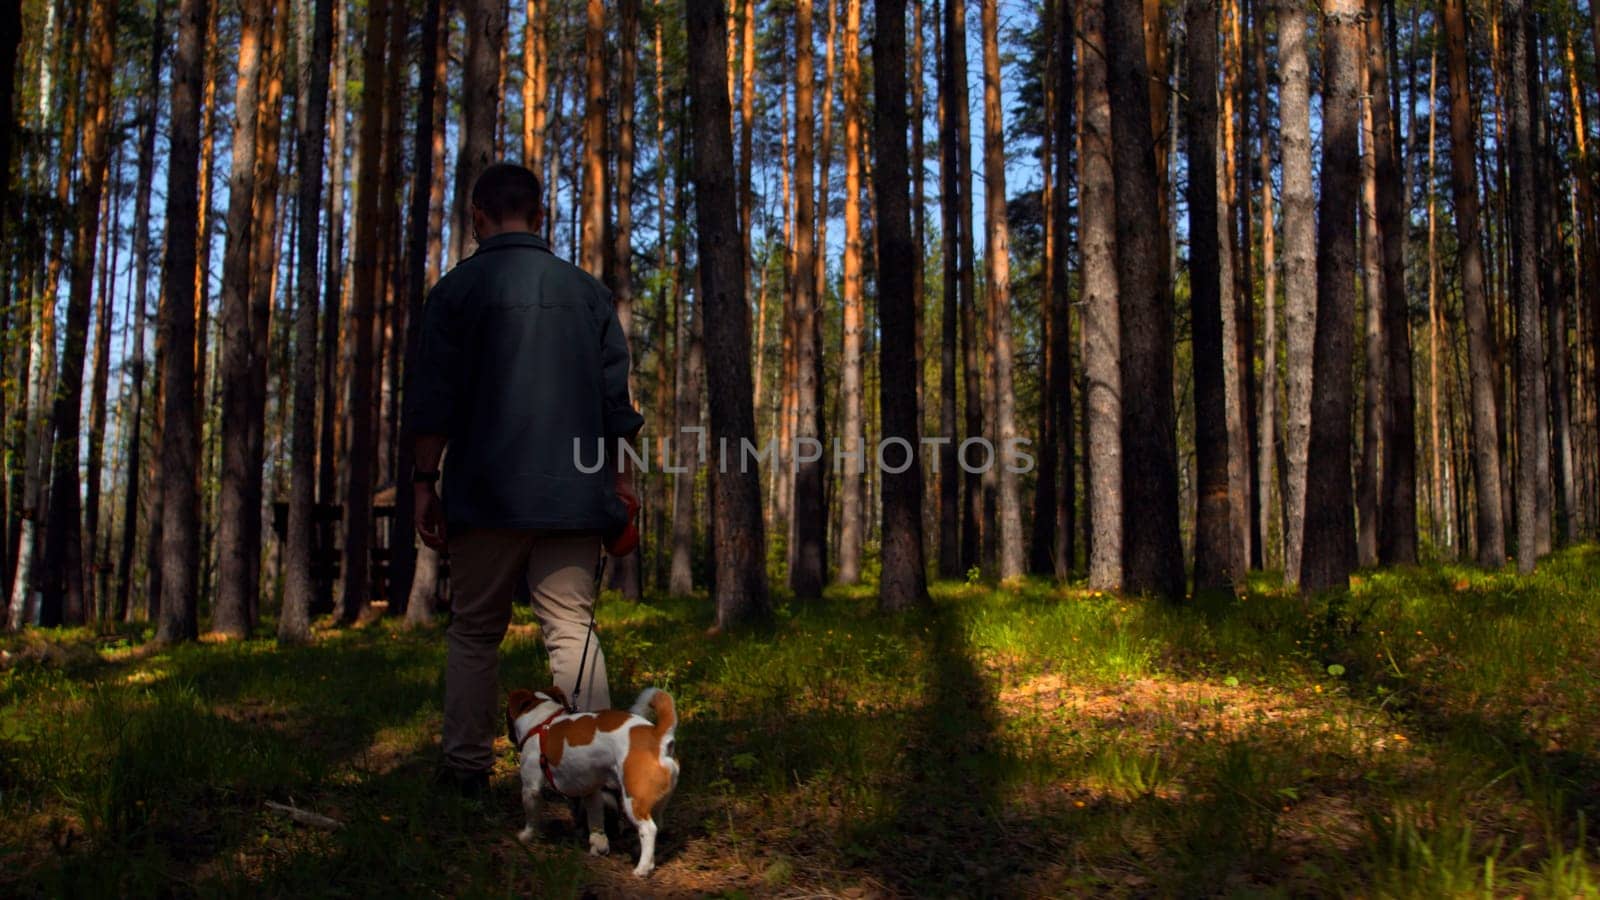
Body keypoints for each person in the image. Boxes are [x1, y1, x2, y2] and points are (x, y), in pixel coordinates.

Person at [404, 162, 643, 797]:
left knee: (475, 629)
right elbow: (616, 406)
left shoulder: (454, 293)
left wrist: (425, 481)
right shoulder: (589, 294)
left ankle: (465, 769)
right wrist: (619, 485)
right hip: (573, 494)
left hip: (484, 495)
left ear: (477, 217)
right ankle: (595, 776)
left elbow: (433, 402)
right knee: (572, 628)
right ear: (540, 217)